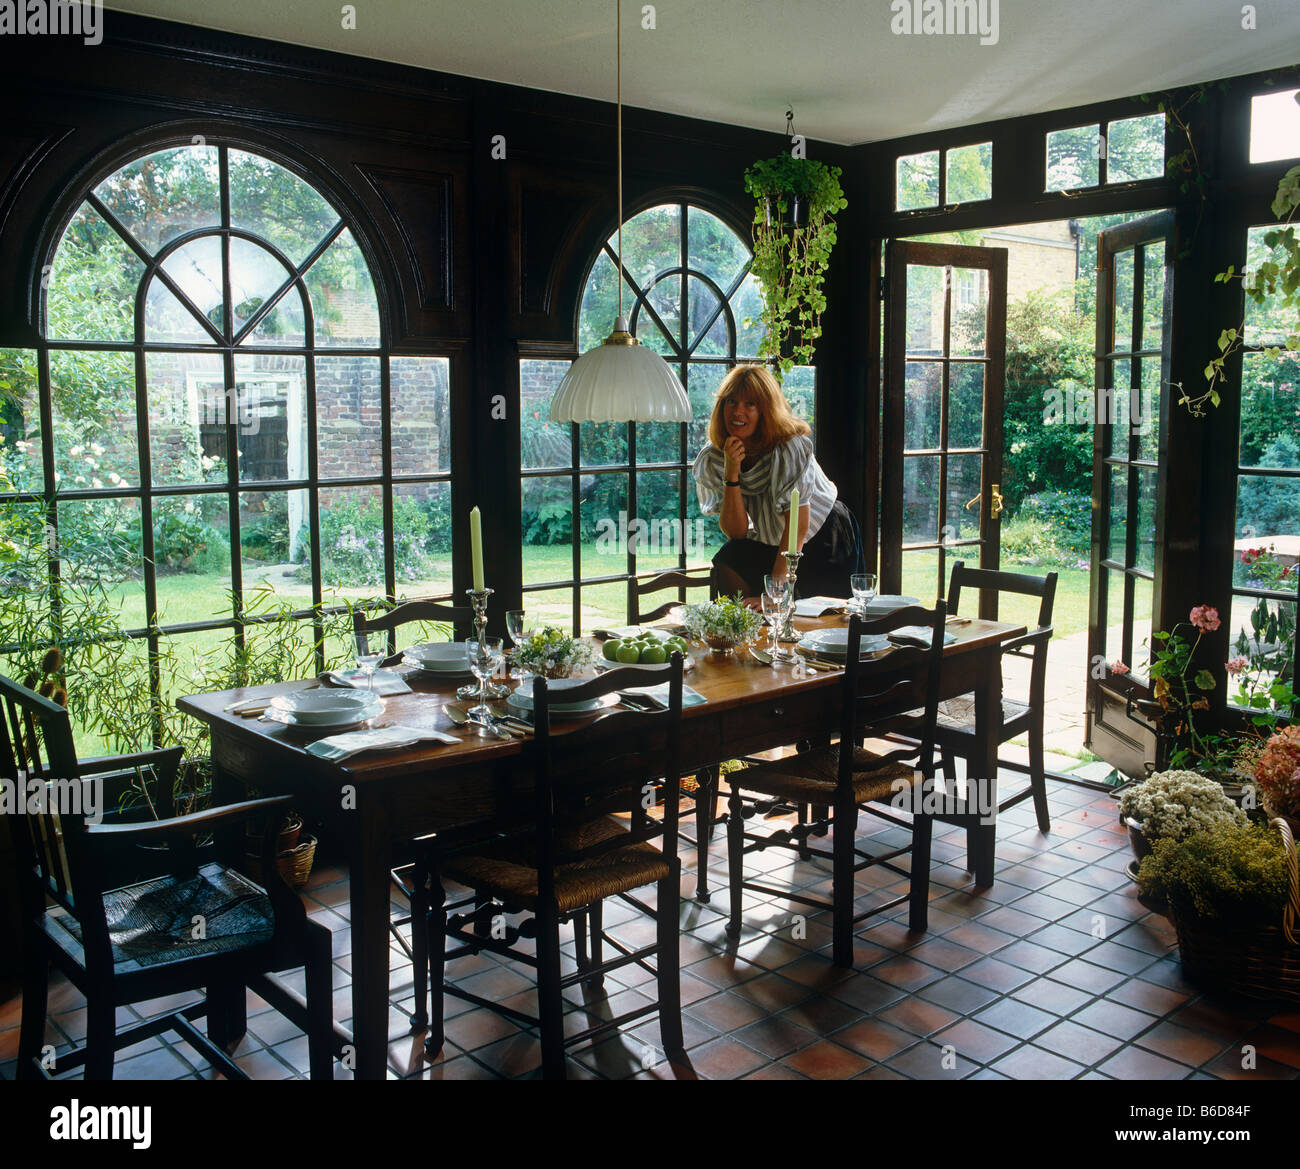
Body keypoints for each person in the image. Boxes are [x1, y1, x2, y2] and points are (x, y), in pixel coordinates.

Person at [692, 364, 859, 604]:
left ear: (765, 410)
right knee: (729, 559)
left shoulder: (788, 446)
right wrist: (732, 472)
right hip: (770, 536)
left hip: (819, 531)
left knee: (817, 621)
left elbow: (797, 524)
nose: (737, 411)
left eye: (750, 404)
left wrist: (776, 593)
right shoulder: (714, 456)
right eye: (731, 401)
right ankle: (745, 637)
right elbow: (736, 531)